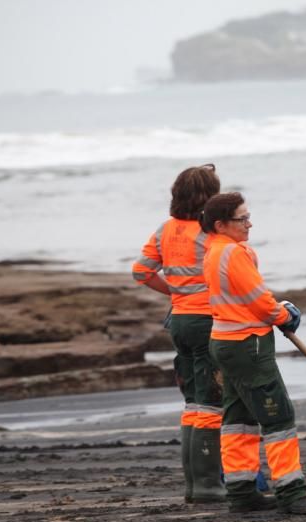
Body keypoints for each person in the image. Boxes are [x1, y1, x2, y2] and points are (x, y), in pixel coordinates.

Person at [200, 192, 306, 515]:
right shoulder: (233, 253)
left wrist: (276, 310)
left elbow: (245, 298)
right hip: (248, 345)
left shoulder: (213, 251)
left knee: (238, 418)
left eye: (248, 216)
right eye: (242, 219)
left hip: (225, 343)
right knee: (278, 416)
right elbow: (259, 301)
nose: (249, 223)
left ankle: (241, 492)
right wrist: (285, 315)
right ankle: (292, 492)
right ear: (221, 224)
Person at [132, 164, 226, 503]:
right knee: (210, 402)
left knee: (192, 403)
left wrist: (175, 292)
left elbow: (140, 271)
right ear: (209, 197)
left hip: (179, 321)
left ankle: (194, 486)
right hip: (206, 321)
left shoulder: (165, 230)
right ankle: (208, 486)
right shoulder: (210, 234)